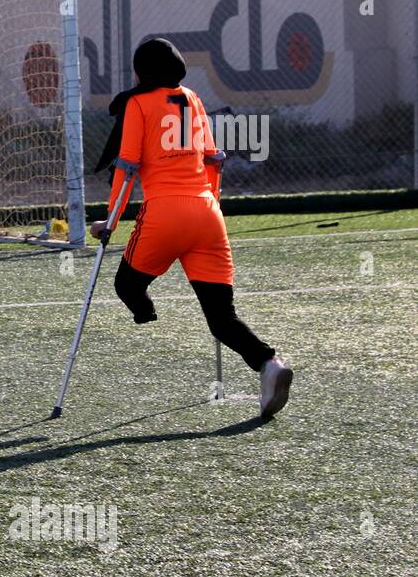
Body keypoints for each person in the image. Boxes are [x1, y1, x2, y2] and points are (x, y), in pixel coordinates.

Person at [90, 37, 293, 418]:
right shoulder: (193, 98)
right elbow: (215, 159)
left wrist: (111, 221)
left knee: (127, 285)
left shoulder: (136, 103)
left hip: (164, 213)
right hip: (207, 214)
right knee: (222, 319)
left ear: (141, 72)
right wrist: (212, 203)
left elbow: (127, 165)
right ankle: (270, 364)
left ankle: (146, 313)